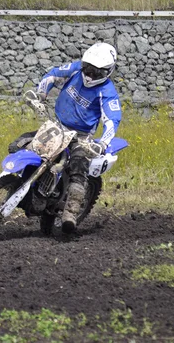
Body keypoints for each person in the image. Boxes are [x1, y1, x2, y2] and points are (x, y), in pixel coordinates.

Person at [11, 42, 122, 234]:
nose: (89, 75)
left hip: (81, 136)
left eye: (96, 73)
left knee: (78, 165)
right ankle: (23, 186)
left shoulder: (108, 92)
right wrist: (40, 95)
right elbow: (53, 74)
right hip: (57, 125)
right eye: (87, 69)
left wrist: (102, 143)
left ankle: (70, 212)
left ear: (107, 72)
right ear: (83, 64)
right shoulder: (75, 69)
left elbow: (112, 120)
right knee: (19, 144)